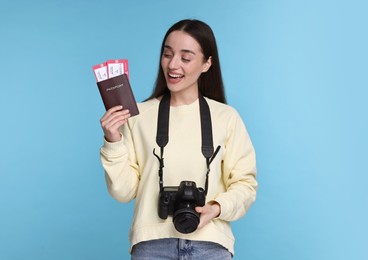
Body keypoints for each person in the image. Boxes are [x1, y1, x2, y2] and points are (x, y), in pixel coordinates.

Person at [99, 19, 257, 259]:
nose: (173, 65)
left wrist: (215, 208)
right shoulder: (138, 116)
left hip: (210, 245)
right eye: (167, 54)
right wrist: (113, 141)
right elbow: (123, 192)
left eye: (185, 58)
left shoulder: (226, 118)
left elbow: (245, 185)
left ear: (207, 64)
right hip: (152, 246)